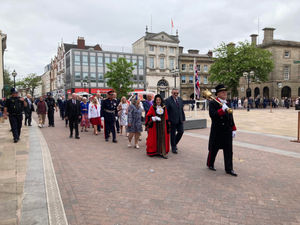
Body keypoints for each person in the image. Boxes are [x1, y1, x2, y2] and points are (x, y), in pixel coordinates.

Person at [206, 84, 237, 177]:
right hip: (217, 130)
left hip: (227, 130)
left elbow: (231, 116)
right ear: (218, 94)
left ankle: (229, 168)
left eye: (225, 92)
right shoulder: (213, 103)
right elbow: (213, 116)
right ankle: (210, 163)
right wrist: (222, 110)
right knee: (214, 148)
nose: (225, 93)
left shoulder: (227, 103)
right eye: (223, 92)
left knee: (228, 150)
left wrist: (233, 128)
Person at [145, 94, 170, 159]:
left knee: (163, 138)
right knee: (154, 138)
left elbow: (167, 117)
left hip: (163, 126)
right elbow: (148, 116)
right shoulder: (153, 107)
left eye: (159, 100)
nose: (158, 101)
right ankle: (154, 151)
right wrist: (153, 118)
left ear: (161, 100)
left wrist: (168, 126)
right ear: (155, 101)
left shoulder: (164, 107)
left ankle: (163, 152)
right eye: (157, 100)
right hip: (155, 126)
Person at [165, 88, 185, 154]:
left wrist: (183, 118)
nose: (176, 94)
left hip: (180, 120)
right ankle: (173, 147)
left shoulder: (180, 100)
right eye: (174, 93)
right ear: (172, 93)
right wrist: (168, 120)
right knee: (172, 134)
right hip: (172, 120)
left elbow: (182, 110)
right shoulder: (168, 100)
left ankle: (174, 143)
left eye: (177, 93)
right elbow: (166, 111)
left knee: (181, 132)